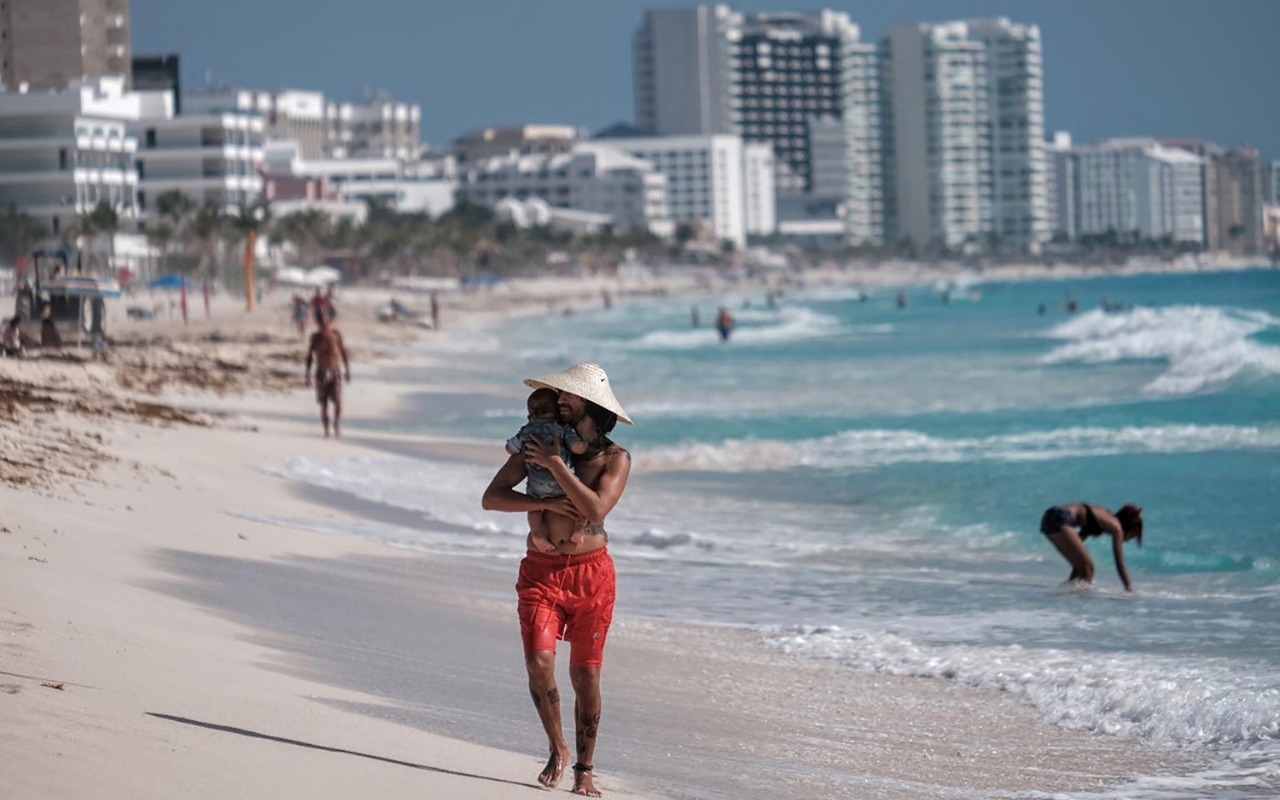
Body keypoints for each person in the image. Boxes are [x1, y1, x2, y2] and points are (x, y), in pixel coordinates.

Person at [481, 362, 633, 798]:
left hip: (592, 578)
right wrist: (535, 492)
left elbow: (597, 510)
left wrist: (554, 467)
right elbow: (492, 498)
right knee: (538, 663)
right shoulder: (537, 440)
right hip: (541, 572)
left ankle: (585, 769)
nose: (560, 399)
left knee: (586, 677)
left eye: (569, 396)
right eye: (560, 394)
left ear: (592, 406)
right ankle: (557, 747)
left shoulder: (615, 458)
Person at [507, 387, 589, 553]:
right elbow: (577, 448)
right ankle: (579, 528)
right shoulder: (561, 428)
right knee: (581, 497)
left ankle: (537, 534)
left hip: (537, 485)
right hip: (562, 483)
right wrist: (585, 444)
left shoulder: (526, 430)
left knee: (534, 506)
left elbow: (510, 448)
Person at [1039, 503, 1143, 592]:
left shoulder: (1101, 518)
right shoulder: (1117, 528)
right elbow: (1120, 564)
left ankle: (1063, 599)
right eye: (1132, 536)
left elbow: (1077, 546)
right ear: (1130, 527)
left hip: (1049, 517)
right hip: (1061, 518)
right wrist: (1129, 589)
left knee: (1081, 566)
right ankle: (1078, 607)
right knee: (1088, 567)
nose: (1127, 540)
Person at [303, 311, 350, 437]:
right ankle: (326, 430)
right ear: (318, 324)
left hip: (335, 371)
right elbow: (309, 357)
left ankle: (336, 426)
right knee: (324, 404)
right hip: (321, 372)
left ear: (330, 322)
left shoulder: (336, 334)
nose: (324, 325)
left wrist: (348, 370)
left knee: (338, 402)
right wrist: (307, 375)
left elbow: (344, 352)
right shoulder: (315, 337)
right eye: (321, 323)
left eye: (326, 322)